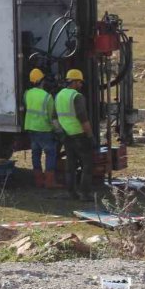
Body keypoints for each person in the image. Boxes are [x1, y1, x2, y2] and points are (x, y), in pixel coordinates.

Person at [56, 69, 94, 202]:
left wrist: (61, 132)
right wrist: (90, 136)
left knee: (70, 165)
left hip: (67, 135)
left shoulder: (59, 95)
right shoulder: (77, 96)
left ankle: (71, 192)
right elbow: (83, 119)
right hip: (79, 135)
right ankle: (85, 193)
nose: (81, 85)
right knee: (87, 164)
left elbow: (54, 118)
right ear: (74, 82)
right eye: (80, 82)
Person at [24, 68, 60, 189]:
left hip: (31, 128)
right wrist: (59, 130)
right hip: (44, 129)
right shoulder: (47, 97)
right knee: (50, 153)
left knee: (35, 154)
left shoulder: (27, 94)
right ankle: (49, 181)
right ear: (41, 81)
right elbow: (52, 117)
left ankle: (38, 181)